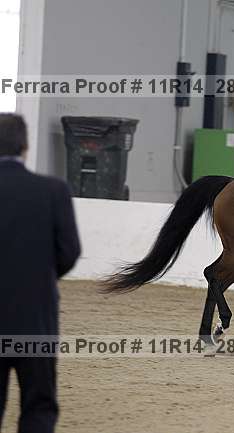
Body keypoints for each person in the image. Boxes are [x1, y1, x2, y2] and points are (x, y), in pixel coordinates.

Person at [0, 113, 81, 432]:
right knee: (38, 405)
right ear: (25, 147)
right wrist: (38, 277)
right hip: (35, 317)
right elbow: (69, 252)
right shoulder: (53, 190)